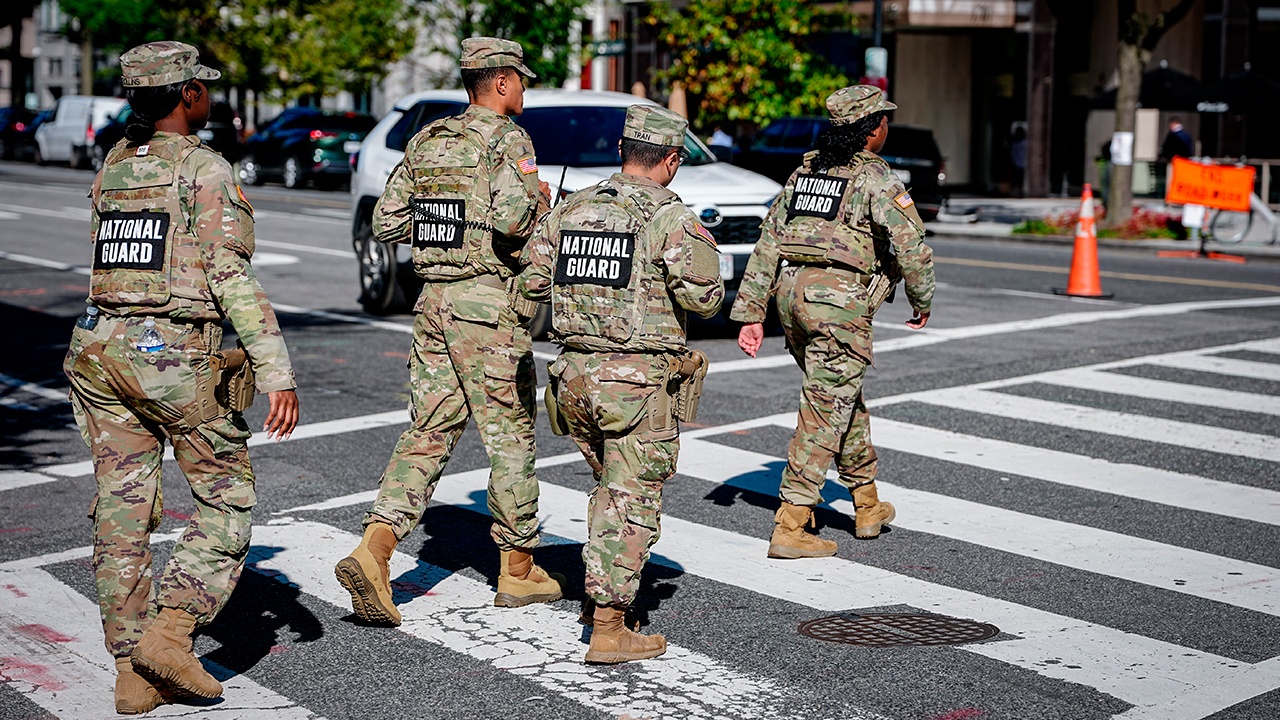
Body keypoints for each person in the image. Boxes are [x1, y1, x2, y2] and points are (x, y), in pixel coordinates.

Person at [62, 41, 299, 713]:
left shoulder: (115, 163)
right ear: (187, 94)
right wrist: (275, 370)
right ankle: (168, 635)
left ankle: (131, 673)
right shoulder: (202, 167)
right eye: (203, 86)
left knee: (123, 510)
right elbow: (229, 274)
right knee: (226, 497)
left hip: (98, 351)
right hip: (168, 357)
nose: (209, 96)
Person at [334, 37, 560, 626]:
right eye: (521, 79)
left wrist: (447, 224)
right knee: (510, 437)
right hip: (486, 307)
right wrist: (540, 201)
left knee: (428, 432)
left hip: (432, 304)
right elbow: (512, 220)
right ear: (502, 82)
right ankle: (517, 569)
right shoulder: (509, 140)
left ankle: (375, 549)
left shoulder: (427, 139)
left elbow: (386, 221)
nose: (524, 89)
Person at [519, 104, 724, 664]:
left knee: (609, 490)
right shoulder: (670, 217)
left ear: (622, 152)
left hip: (574, 379)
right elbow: (705, 299)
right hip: (634, 387)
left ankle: (600, 600)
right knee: (630, 500)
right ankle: (609, 628)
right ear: (672, 160)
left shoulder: (572, 208)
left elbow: (531, 284)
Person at [730, 85, 935, 558]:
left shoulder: (806, 172)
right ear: (872, 129)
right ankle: (791, 523)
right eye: (884, 120)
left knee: (840, 397)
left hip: (791, 298)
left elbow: (768, 243)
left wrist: (751, 313)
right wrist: (921, 299)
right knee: (825, 410)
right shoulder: (874, 177)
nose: (887, 127)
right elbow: (912, 247)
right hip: (837, 305)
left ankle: (867, 503)